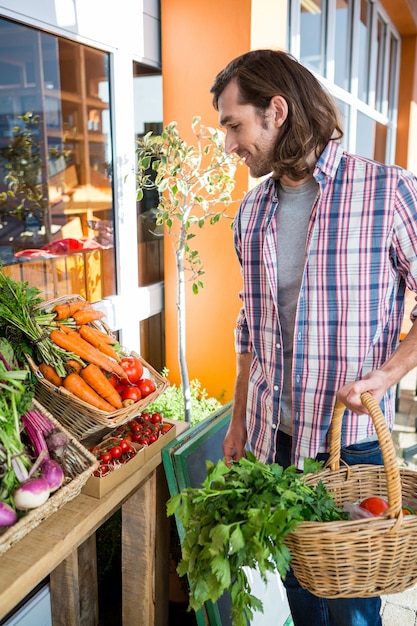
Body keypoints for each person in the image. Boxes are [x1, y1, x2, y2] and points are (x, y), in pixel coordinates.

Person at [210, 49, 417, 626]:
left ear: (276, 110)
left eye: (234, 125)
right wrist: (239, 416)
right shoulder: (250, 214)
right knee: (299, 587)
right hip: (277, 442)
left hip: (350, 444)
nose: (229, 144)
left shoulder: (387, 192)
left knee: (352, 602)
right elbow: (251, 322)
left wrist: (388, 375)